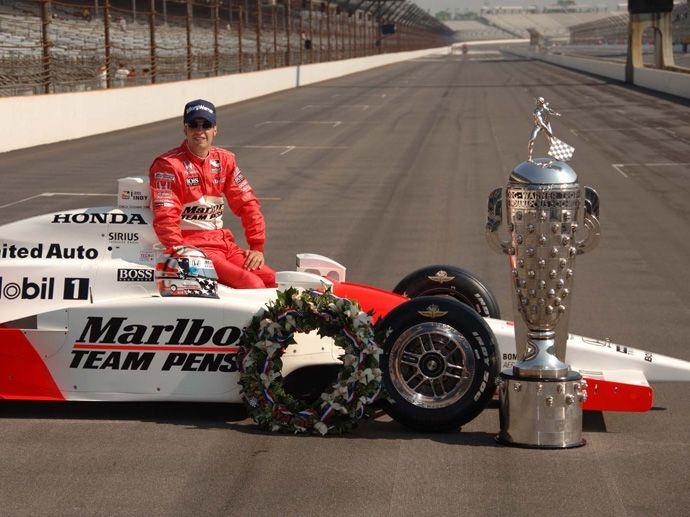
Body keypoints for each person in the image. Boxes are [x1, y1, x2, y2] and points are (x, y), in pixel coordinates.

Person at [149, 99, 276, 289]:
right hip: (195, 249)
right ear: (185, 130)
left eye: (206, 125)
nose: (199, 131)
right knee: (253, 284)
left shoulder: (225, 160)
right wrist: (181, 252)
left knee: (269, 278)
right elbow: (165, 217)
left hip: (224, 243)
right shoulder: (168, 165)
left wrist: (256, 247)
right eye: (193, 125)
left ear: (214, 129)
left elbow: (248, 204)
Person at [527, 96, 561, 161]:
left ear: (541, 103)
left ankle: (556, 155)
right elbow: (541, 124)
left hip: (546, 124)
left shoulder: (545, 108)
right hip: (539, 125)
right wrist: (549, 133)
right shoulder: (537, 112)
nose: (537, 103)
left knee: (551, 140)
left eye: (538, 102)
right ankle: (529, 157)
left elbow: (549, 110)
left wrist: (556, 113)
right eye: (537, 102)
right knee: (531, 140)